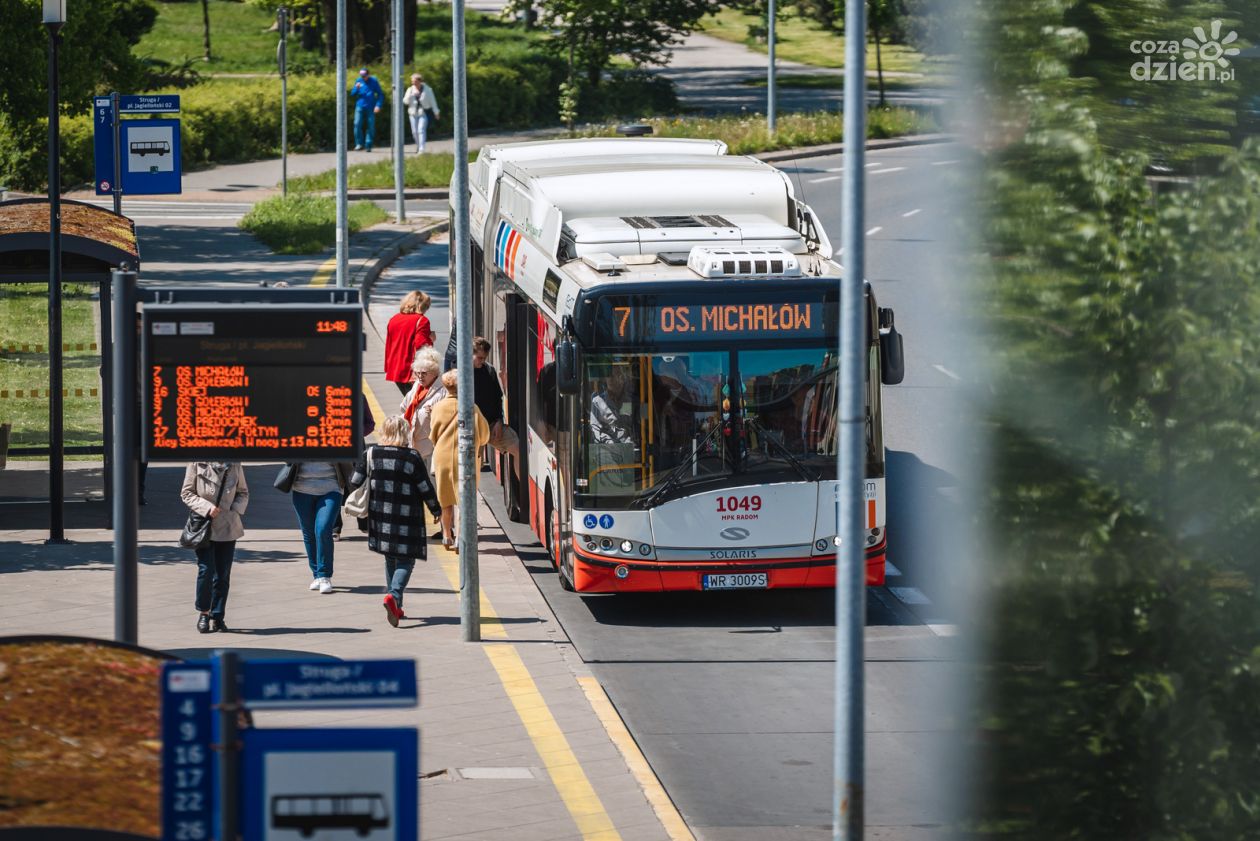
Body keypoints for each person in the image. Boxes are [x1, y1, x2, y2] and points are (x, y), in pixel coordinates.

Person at [347, 415, 442, 627]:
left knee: (390, 558)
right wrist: (436, 509)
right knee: (407, 559)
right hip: (407, 517)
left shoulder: (370, 453)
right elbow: (425, 487)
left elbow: (354, 482)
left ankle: (396, 605)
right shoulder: (412, 457)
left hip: (380, 516)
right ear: (404, 433)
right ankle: (394, 595)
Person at [180, 461, 249, 633]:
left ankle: (218, 616)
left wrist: (234, 510)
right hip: (204, 525)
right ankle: (204, 613)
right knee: (206, 569)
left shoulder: (235, 465)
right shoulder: (197, 463)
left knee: (223, 573)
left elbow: (243, 492)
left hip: (228, 524)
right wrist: (206, 507)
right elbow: (186, 493)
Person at [428, 369, 490, 550]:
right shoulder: (471, 407)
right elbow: (484, 435)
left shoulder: (438, 407)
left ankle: (446, 534)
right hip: (467, 456)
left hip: (443, 456)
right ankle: (460, 539)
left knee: (445, 498)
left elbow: (433, 434)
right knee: (464, 500)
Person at [290, 461, 354, 593]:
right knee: (308, 533)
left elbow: (348, 460)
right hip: (301, 489)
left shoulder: (335, 439)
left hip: (331, 488)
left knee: (323, 529)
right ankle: (316, 574)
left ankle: (324, 575)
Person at [471, 335, 520, 466]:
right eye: (480, 358)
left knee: (518, 449)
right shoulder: (460, 372)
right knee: (474, 465)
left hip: (492, 424)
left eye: (484, 358)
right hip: (471, 427)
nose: (482, 362)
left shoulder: (489, 370)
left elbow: (497, 397)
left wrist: (499, 420)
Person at [400, 346, 446, 464]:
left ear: (434, 373)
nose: (420, 376)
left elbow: (445, 421)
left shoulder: (442, 391)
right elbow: (404, 406)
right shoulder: (417, 385)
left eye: (424, 373)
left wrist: (435, 412)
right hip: (412, 445)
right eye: (417, 373)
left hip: (431, 449)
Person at [385, 291, 434, 396]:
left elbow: (389, 344)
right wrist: (431, 339)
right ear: (421, 306)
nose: (426, 310)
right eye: (426, 306)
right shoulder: (422, 320)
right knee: (417, 404)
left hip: (395, 368)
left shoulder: (394, 319)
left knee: (409, 400)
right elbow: (421, 344)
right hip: (410, 369)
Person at [401, 73, 440, 154]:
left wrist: (436, 112)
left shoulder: (427, 90)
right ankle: (418, 146)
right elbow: (405, 101)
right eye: (412, 81)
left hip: (423, 113)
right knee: (414, 131)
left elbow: (433, 101)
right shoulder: (410, 90)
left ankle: (422, 149)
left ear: (420, 81)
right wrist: (411, 96)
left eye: (415, 81)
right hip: (412, 113)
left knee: (421, 130)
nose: (413, 83)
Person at [350, 67, 384, 152]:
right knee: (357, 124)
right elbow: (352, 94)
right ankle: (359, 144)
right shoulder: (358, 80)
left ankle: (368, 144)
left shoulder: (374, 81)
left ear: (368, 74)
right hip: (360, 106)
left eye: (364, 75)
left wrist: (378, 105)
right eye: (361, 76)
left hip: (371, 107)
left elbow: (380, 94)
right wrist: (356, 88)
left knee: (370, 125)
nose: (363, 77)